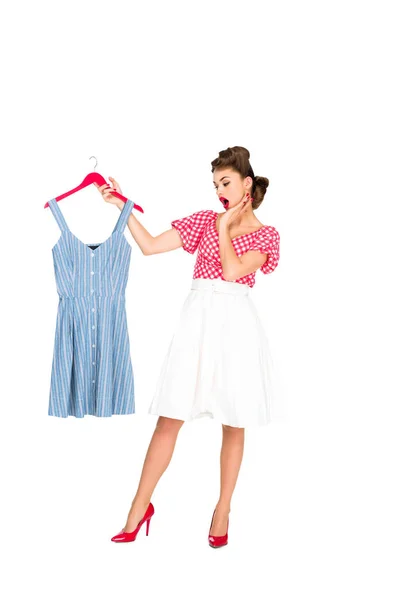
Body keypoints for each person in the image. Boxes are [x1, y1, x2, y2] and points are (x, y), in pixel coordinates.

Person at [94, 146, 280, 548]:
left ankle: (222, 510)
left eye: (226, 183)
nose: (219, 191)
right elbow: (150, 245)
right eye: (215, 184)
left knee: (235, 420)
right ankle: (138, 509)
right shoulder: (203, 220)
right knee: (169, 416)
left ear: (247, 184)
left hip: (236, 326)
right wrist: (121, 205)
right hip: (197, 321)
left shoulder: (266, 235)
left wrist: (225, 227)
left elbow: (232, 271)